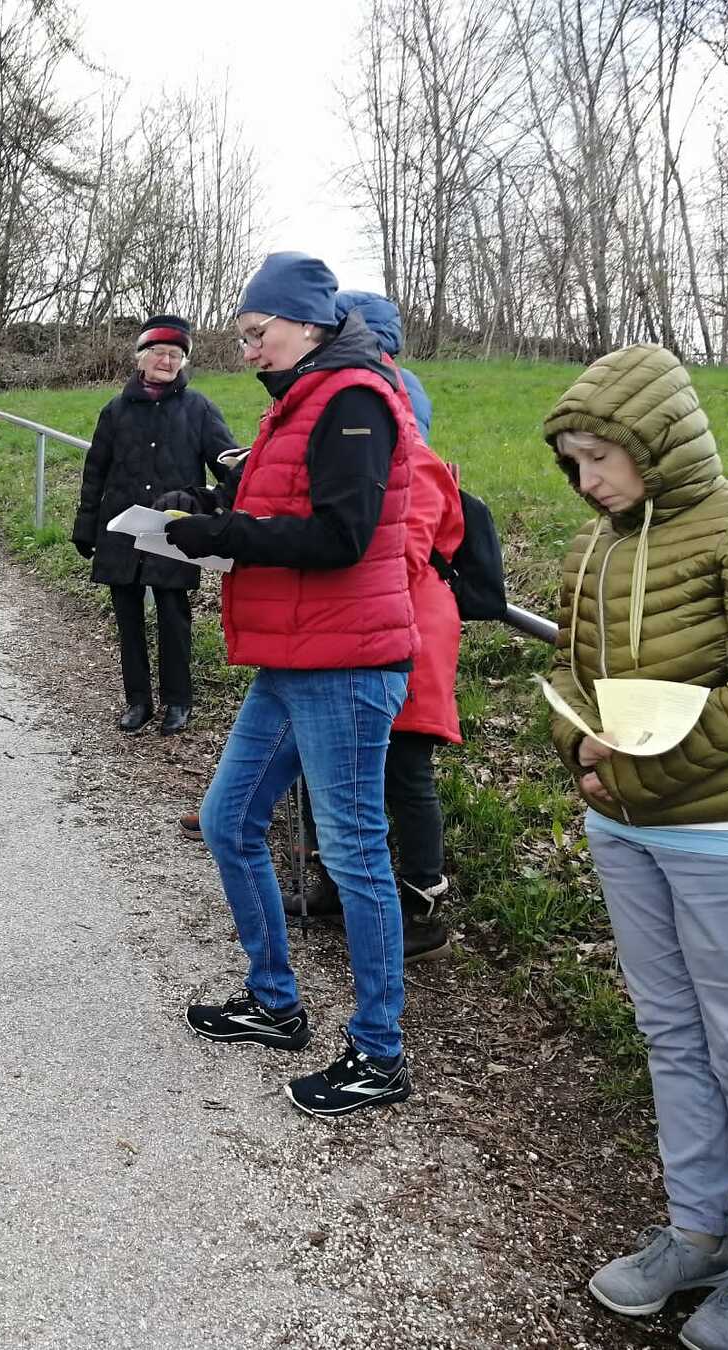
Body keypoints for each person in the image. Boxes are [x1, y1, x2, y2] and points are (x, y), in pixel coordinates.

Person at [543, 346, 728, 1350]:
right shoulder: (595, 546)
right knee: (671, 1034)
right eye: (573, 463)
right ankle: (699, 1233)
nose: (587, 481)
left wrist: (636, 770)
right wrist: (578, 747)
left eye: (600, 457)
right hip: (626, 827)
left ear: (657, 439)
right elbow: (569, 671)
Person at [155, 252, 422, 1119]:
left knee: (354, 854)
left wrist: (224, 535)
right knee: (229, 821)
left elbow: (342, 536)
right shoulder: (301, 399)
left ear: (306, 323)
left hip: (346, 663)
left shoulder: (353, 399)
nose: (246, 351)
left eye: (255, 332)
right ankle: (274, 1001)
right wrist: (206, 507)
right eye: (240, 336)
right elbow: (277, 505)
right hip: (295, 656)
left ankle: (379, 1051)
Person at [283, 291, 462, 962]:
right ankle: (337, 880)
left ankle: (423, 903)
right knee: (336, 764)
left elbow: (396, 557)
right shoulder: (364, 420)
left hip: (404, 640)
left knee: (404, 771)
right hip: (359, 634)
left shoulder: (412, 458)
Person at [72, 314, 236, 735]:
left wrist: (214, 509)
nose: (167, 361)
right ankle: (138, 701)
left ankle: (178, 701)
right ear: (141, 357)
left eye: (176, 355)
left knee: (173, 616)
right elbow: (95, 472)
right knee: (127, 619)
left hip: (173, 529)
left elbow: (230, 466)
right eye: (160, 353)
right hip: (121, 528)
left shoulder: (199, 409)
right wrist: (85, 526)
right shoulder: (115, 410)